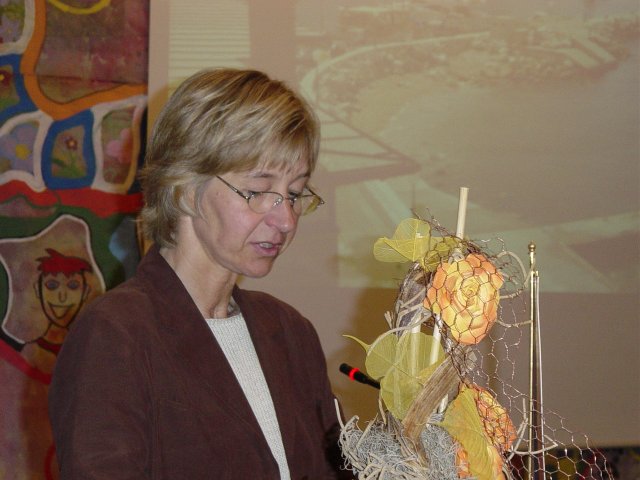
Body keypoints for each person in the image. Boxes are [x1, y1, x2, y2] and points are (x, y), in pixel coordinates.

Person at [48, 68, 349, 479]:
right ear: (185, 190)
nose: (286, 220)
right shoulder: (116, 334)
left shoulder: (291, 331)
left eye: (294, 194)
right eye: (258, 191)